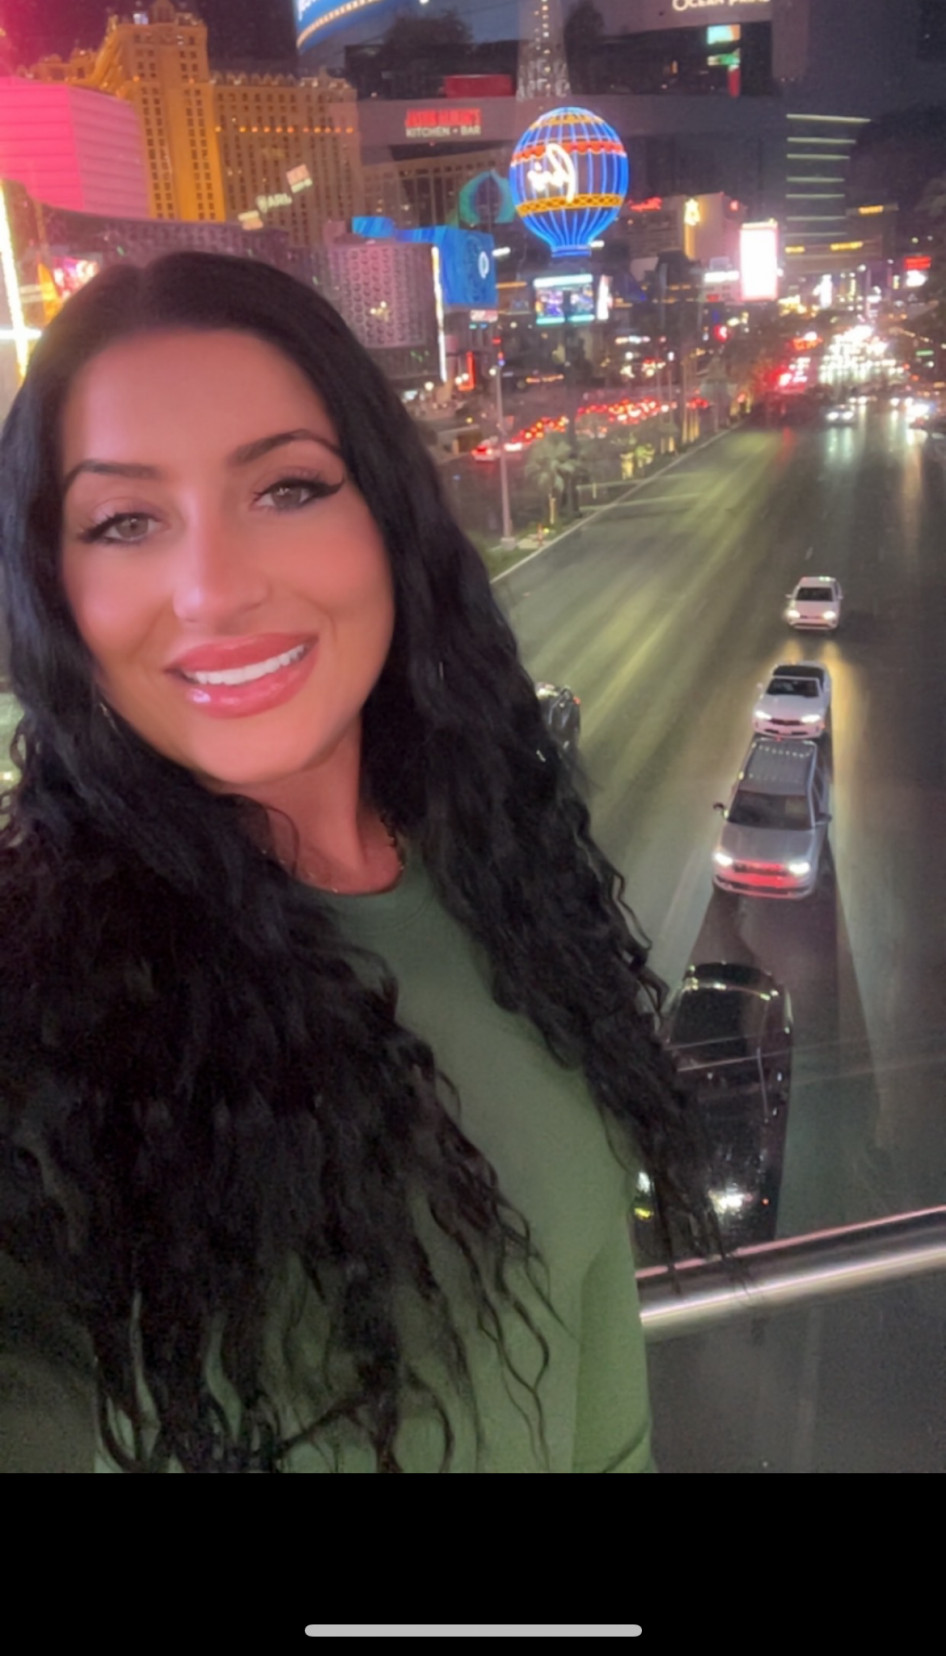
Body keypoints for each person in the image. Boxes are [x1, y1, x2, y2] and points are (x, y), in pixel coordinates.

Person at [0, 252, 714, 1474]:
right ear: (55, 593)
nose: (213, 589)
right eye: (124, 521)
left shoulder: (500, 875)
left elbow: (602, 1395)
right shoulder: (39, 1019)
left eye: (286, 487)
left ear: (387, 519)